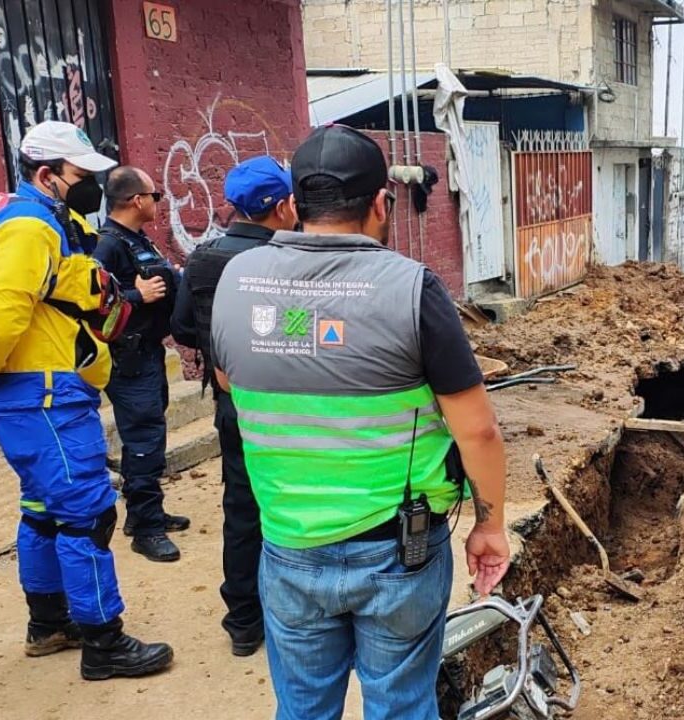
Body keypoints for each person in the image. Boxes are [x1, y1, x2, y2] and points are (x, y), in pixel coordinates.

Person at [209, 125, 510, 719]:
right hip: (398, 553)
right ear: (380, 202)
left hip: (289, 548)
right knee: (400, 706)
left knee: (302, 710)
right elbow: (477, 431)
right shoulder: (412, 290)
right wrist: (489, 526)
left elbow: (227, 381)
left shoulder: (234, 283)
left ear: (295, 205)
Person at [0, 121, 172, 679]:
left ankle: (49, 624)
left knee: (43, 510)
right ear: (46, 175)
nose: (91, 185)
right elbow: (0, 313)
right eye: (80, 175)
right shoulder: (29, 229)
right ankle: (103, 642)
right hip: (44, 395)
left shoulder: (43, 221)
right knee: (89, 514)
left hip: (42, 391)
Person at [170, 156, 296, 656]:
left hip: (232, 404)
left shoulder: (202, 259)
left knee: (242, 507)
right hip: (292, 405)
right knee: (293, 503)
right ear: (283, 206)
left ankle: (244, 620)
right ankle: (298, 613)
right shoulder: (292, 258)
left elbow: (181, 329)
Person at [94, 166, 189, 562]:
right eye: (155, 196)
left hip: (148, 353)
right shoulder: (107, 245)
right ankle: (145, 530)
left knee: (151, 434)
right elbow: (92, 304)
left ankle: (145, 512)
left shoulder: (133, 239)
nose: (157, 203)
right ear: (137, 200)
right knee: (142, 441)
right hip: (128, 360)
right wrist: (137, 295)